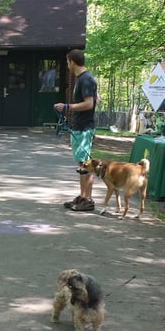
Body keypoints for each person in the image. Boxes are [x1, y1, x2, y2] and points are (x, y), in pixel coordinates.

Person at [56, 49, 98, 212]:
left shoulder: (86, 79)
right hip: (79, 127)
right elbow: (95, 99)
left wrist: (68, 107)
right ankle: (82, 197)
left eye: (67, 62)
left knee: (86, 165)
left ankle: (88, 200)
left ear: (72, 62)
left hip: (84, 127)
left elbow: (89, 104)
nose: (67, 65)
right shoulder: (83, 79)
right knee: (82, 164)